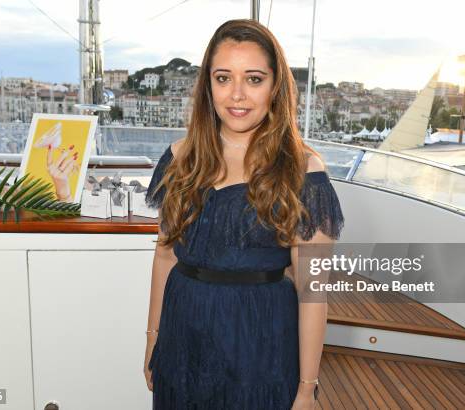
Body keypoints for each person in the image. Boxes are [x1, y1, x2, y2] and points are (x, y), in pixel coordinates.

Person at [143, 19, 344, 410]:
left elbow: (312, 293)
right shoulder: (179, 157)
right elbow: (165, 255)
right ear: (208, 85)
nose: (236, 95)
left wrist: (307, 388)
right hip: (183, 334)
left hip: (260, 343)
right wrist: (152, 338)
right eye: (223, 78)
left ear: (275, 87)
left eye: (253, 79)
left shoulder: (305, 172)